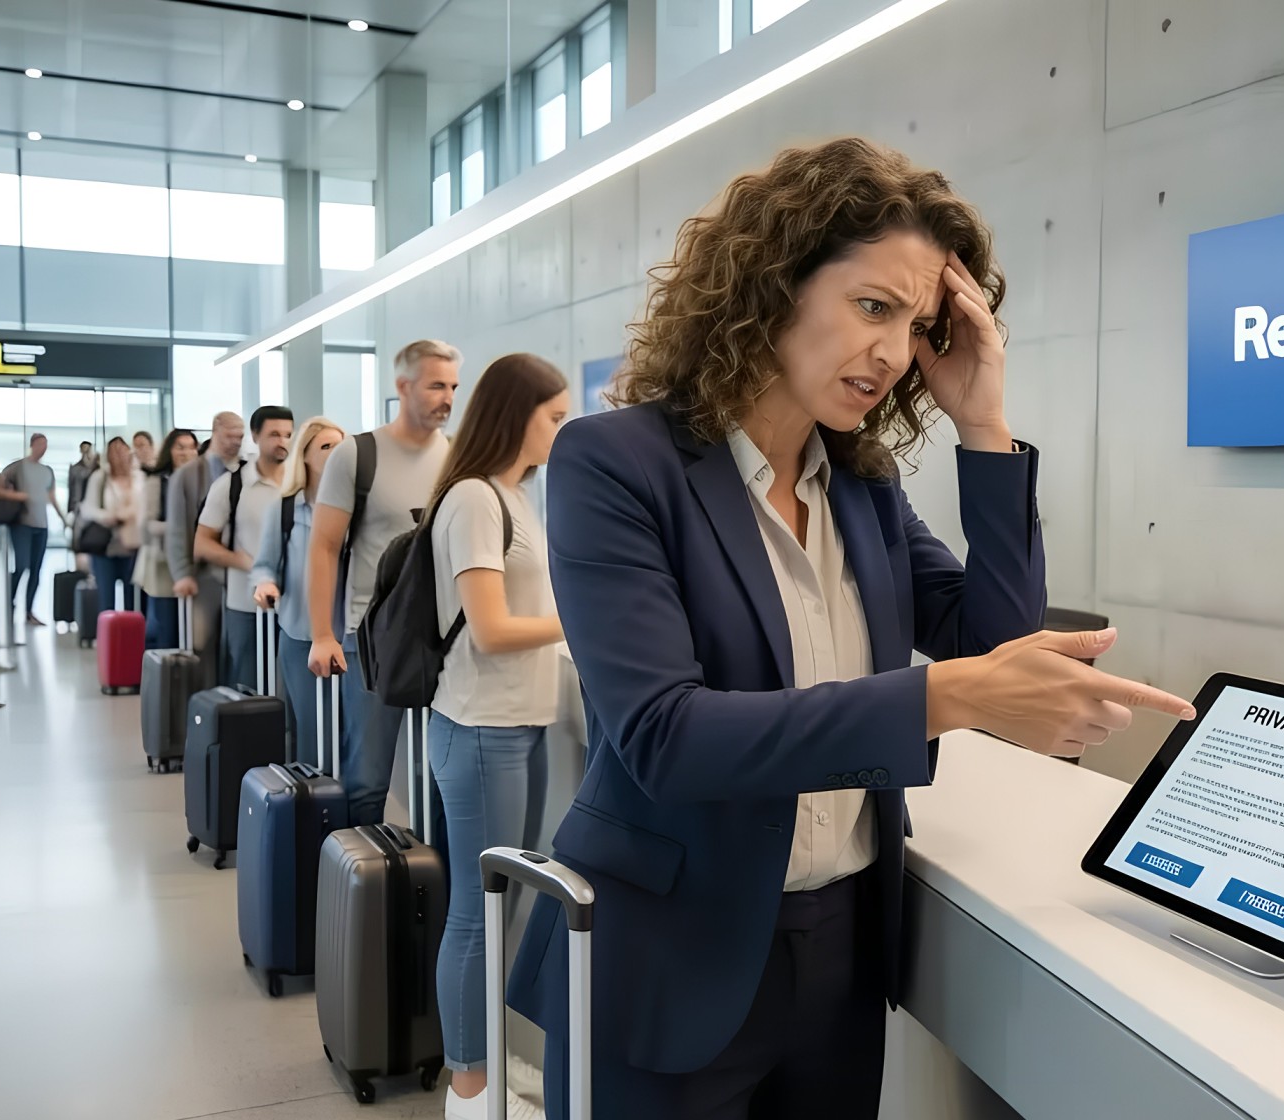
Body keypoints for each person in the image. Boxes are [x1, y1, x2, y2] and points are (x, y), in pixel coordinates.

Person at [507, 139, 1199, 1120]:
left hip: (841, 950)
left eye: (916, 326)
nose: (894, 353)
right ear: (774, 281)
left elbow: (992, 639)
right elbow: (666, 735)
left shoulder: (863, 488)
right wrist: (944, 697)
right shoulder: (616, 462)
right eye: (874, 307)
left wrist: (985, 425)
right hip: (670, 953)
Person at [424, 355, 567, 1120]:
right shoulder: (475, 499)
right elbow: (490, 628)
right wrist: (580, 621)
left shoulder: (515, 494)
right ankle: (470, 1090)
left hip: (520, 725)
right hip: (482, 731)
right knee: (477, 915)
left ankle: (485, 1055)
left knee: (501, 908)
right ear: (517, 415)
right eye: (554, 417)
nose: (561, 431)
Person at [307, 340, 457, 827]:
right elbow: (324, 546)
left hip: (443, 639)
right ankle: (357, 869)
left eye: (453, 386)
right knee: (368, 777)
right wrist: (322, 634)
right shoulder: (357, 454)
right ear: (404, 386)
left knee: (441, 775)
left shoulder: (457, 455)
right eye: (436, 385)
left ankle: (434, 869)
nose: (447, 398)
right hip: (373, 640)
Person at [251, 417, 345, 763]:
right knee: (314, 729)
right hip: (301, 634)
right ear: (304, 455)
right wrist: (265, 583)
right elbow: (265, 562)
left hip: (349, 636)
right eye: (326, 446)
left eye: (340, 446)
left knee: (348, 733)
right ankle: (315, 793)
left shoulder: (356, 507)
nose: (336, 453)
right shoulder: (286, 507)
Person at [195, 406, 293, 690]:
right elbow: (201, 543)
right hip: (245, 605)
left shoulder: (300, 483)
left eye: (288, 435)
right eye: (274, 434)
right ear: (255, 435)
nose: (282, 441)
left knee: (291, 690)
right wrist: (248, 563)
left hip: (295, 608)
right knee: (248, 687)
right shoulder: (232, 485)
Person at [168, 412, 246, 685]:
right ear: (215, 432)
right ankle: (203, 699)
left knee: (235, 642)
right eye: (229, 436)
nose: (235, 442)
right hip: (202, 573)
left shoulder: (245, 471)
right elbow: (177, 528)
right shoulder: (188, 474)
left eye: (240, 437)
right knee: (202, 643)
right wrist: (182, 574)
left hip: (236, 572)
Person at [0, 433, 68, 627]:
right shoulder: (17, 467)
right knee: (21, 566)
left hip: (42, 526)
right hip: (22, 524)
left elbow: (51, 497)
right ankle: (10, 604)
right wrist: (17, 496)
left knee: (36, 570)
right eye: (40, 444)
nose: (43, 448)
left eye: (46, 445)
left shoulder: (48, 471)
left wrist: (63, 518)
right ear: (32, 445)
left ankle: (28, 611)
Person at [135, 428, 199, 649]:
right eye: (180, 447)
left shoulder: (202, 479)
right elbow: (147, 525)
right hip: (163, 563)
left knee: (192, 632)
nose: (186, 453)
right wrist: (179, 527)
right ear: (169, 450)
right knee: (168, 629)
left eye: (191, 447)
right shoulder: (157, 481)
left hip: (196, 563)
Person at [77, 436, 144, 615]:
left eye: (123, 450)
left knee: (133, 598)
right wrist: (109, 516)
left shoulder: (139, 477)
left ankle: (131, 631)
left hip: (132, 543)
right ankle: (107, 631)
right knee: (106, 597)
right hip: (106, 543)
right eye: (114, 451)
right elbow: (87, 509)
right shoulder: (100, 477)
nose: (120, 455)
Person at [67, 442, 97, 517]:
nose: (86, 452)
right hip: (78, 507)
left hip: (93, 506)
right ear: (80, 450)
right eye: (84, 449)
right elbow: (71, 489)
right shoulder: (74, 469)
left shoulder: (96, 469)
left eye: (88, 450)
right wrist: (70, 509)